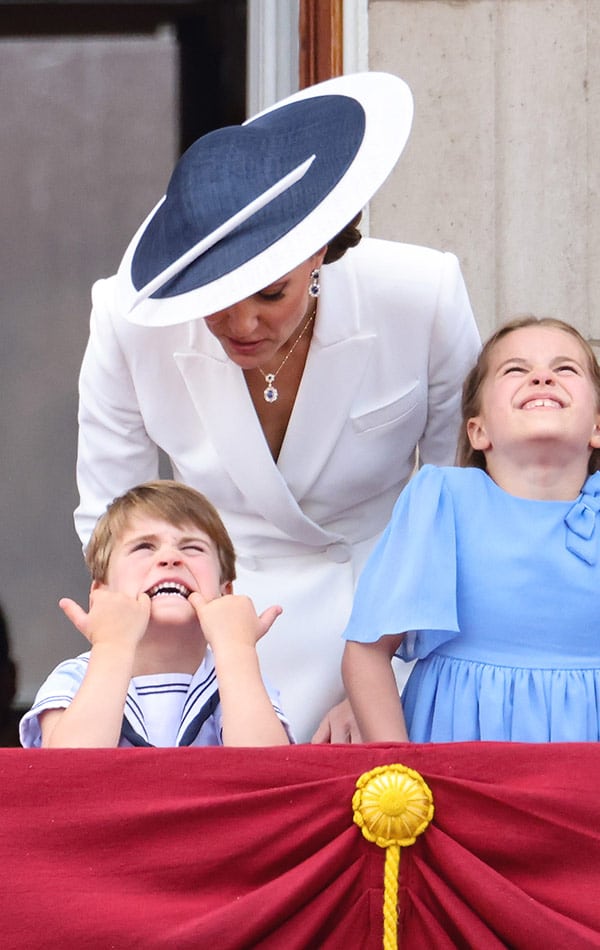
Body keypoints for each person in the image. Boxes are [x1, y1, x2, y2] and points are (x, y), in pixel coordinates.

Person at [73, 72, 480, 742]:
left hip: (383, 626)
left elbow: (458, 504)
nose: (241, 324)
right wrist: (159, 662)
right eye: (215, 298)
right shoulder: (126, 319)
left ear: (317, 250)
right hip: (208, 639)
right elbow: (109, 516)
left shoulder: (422, 294)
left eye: (270, 293)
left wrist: (386, 683)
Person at [342, 316, 600, 743]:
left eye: (565, 369)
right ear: (478, 431)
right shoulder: (441, 500)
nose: (542, 377)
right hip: (458, 754)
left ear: (596, 427)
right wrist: (400, 770)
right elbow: (367, 652)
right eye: (515, 369)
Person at [20, 481, 292, 748]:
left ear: (226, 593)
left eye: (192, 548)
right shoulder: (73, 680)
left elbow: (270, 774)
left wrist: (236, 648)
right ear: (101, 594)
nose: (170, 558)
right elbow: (68, 774)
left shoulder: (238, 676)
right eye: (144, 547)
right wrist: (112, 646)